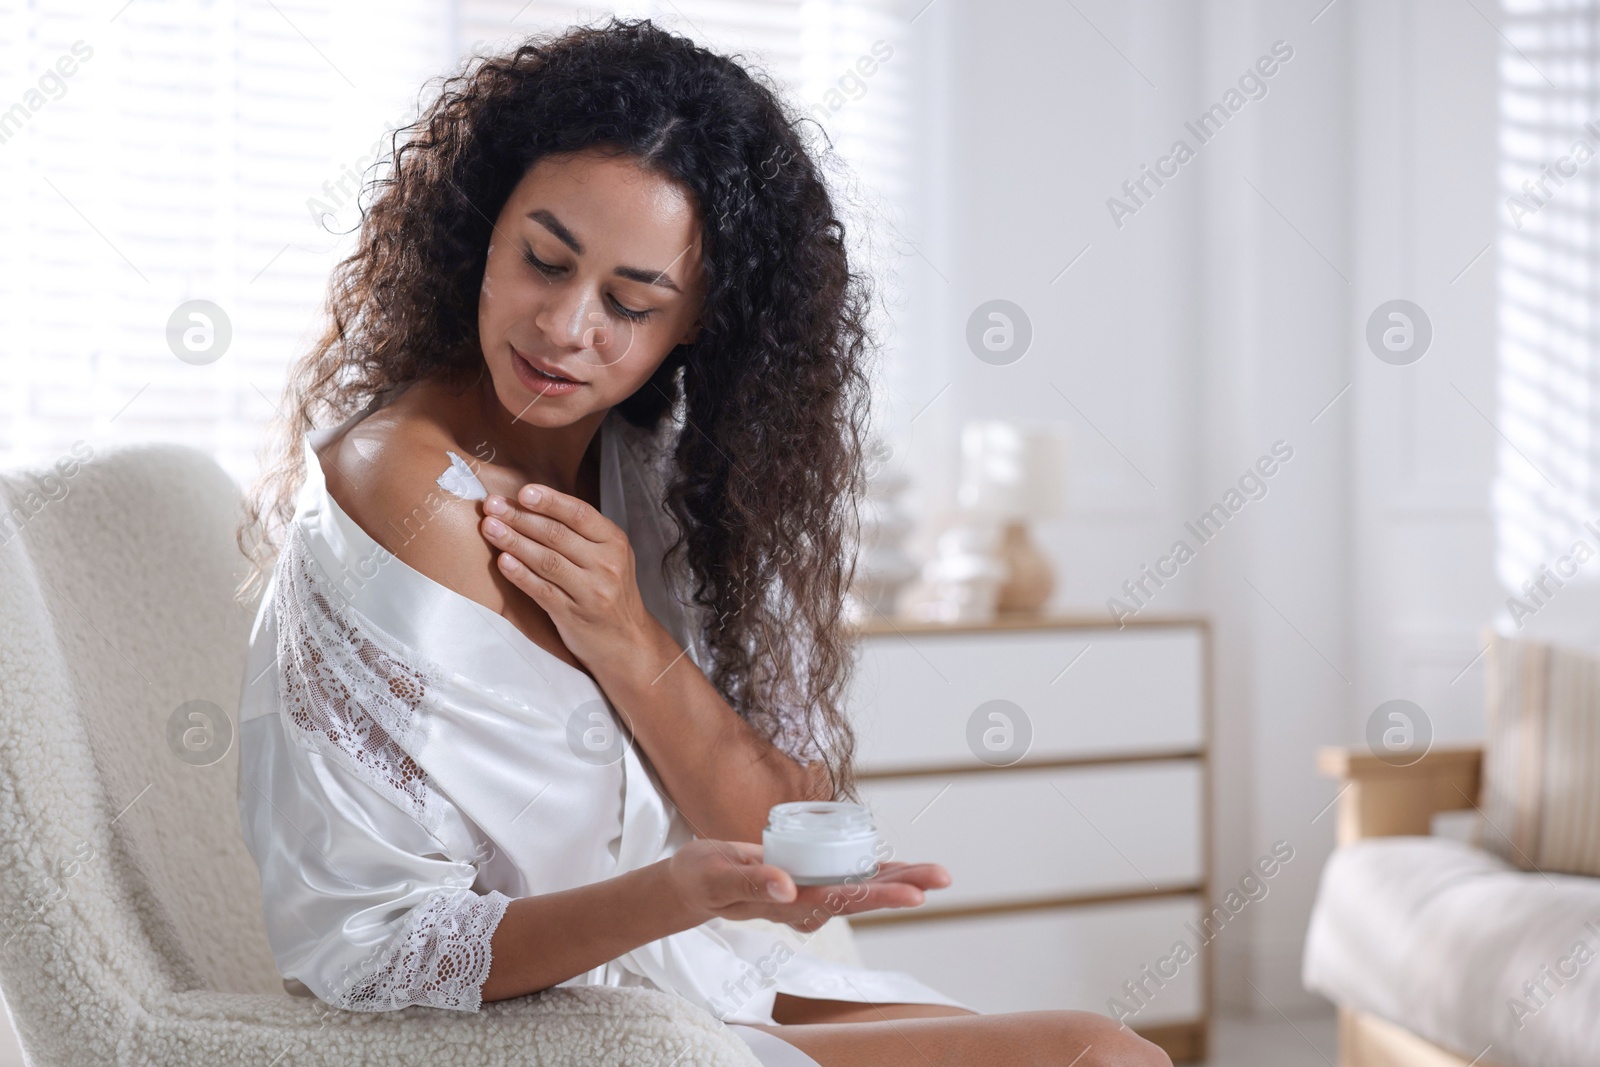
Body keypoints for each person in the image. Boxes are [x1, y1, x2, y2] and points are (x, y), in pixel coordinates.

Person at [234, 18, 1169, 1067]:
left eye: (631, 302)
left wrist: (629, 637)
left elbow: (780, 828)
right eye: (544, 260)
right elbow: (371, 951)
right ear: (479, 230)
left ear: (698, 324)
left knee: (1105, 1050)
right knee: (1096, 1054)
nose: (565, 325)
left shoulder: (655, 472)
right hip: (533, 1035)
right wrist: (674, 890)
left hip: (685, 978)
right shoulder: (410, 486)